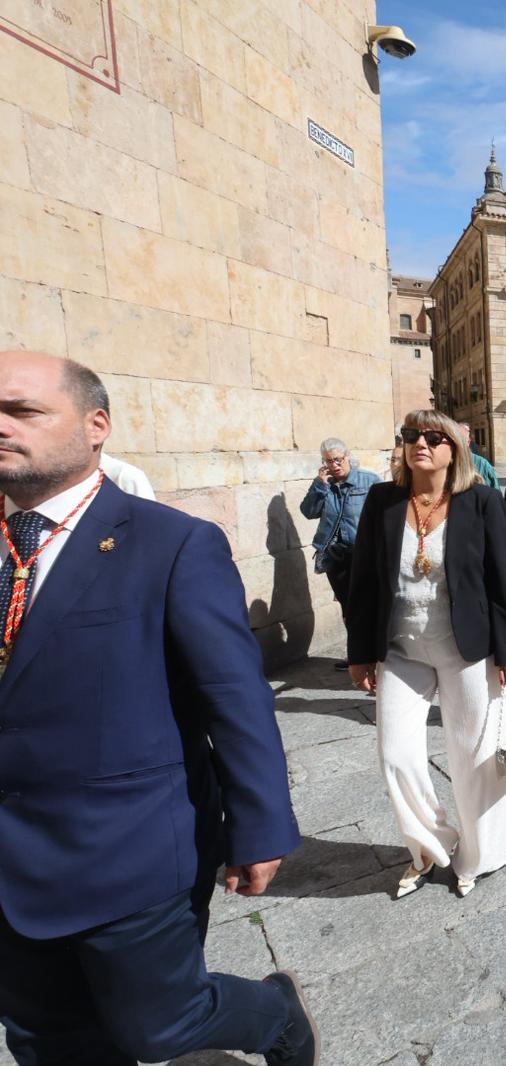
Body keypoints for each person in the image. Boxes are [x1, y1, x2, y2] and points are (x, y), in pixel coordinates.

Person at [0, 353, 313, 1064]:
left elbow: (233, 694)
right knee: (47, 1039)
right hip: (10, 862)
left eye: (22, 410)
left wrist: (260, 823)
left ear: (96, 425)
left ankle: (276, 1014)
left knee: (160, 1026)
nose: (1, 426)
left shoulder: (172, 544)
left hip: (129, 848)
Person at [345, 411, 506, 900]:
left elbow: (500, 582)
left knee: (476, 758)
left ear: (453, 449)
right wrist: (360, 653)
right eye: (410, 436)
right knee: (396, 754)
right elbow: (364, 580)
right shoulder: (382, 501)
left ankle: (480, 855)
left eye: (431, 437)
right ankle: (430, 846)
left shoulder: (481, 501)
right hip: (402, 650)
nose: (419, 443)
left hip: (467, 649)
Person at [299, 436, 379, 669]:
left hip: (364, 555)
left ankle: (376, 654)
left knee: (368, 605)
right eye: (328, 461)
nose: (334, 465)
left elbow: (383, 515)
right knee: (348, 606)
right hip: (335, 556)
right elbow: (309, 512)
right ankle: (357, 655)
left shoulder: (369, 481)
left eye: (338, 459)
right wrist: (319, 485)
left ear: (348, 456)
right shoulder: (325, 485)